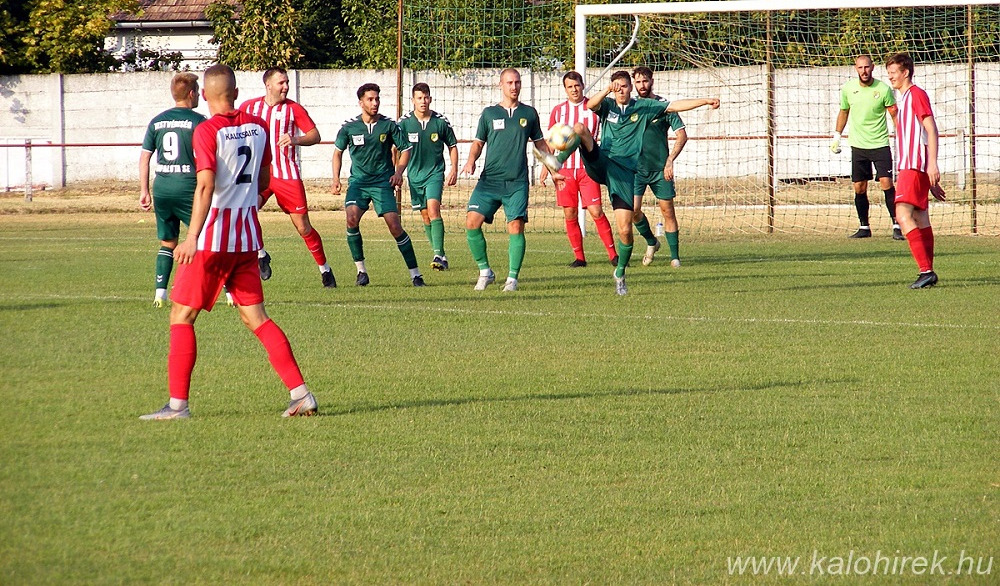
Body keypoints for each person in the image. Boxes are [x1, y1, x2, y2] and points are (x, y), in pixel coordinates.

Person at [141, 64, 318, 420]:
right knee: (256, 317)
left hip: (213, 240)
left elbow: (205, 186)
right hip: (247, 238)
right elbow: (265, 176)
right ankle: (300, 394)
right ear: (236, 93)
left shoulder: (207, 131)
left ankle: (177, 406)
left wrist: (191, 238)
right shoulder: (259, 126)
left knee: (181, 315)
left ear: (203, 95)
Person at [538, 70, 718, 295]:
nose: (619, 90)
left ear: (630, 87)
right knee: (579, 129)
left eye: (623, 86)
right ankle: (556, 163)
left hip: (624, 175)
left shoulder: (642, 107)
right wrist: (606, 90)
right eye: (616, 86)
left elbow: (674, 106)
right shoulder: (608, 106)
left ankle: (620, 273)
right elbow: (589, 105)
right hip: (603, 161)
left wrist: (705, 101)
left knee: (625, 231)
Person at [461, 68, 558, 292]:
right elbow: (478, 142)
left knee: (515, 226)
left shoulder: (529, 113)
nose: (513, 87)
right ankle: (485, 271)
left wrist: (554, 170)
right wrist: (471, 160)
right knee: (471, 222)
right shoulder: (489, 114)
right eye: (509, 83)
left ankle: (512, 279)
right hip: (489, 181)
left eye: (517, 82)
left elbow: (540, 144)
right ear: (501, 85)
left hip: (516, 182)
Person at [240, 67, 335, 287]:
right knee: (246, 211)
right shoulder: (249, 107)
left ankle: (325, 269)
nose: (285, 87)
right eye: (281, 83)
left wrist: (295, 139)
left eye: (287, 82)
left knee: (303, 227)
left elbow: (315, 135)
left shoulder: (293, 109)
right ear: (268, 85)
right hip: (260, 174)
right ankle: (261, 255)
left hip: (287, 176)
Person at [332, 83, 424, 287]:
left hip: (382, 182)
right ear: (361, 102)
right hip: (358, 183)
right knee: (351, 219)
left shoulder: (389, 125)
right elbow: (337, 153)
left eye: (377, 99)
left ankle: (416, 274)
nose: (375, 103)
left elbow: (406, 149)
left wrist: (398, 172)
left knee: (395, 226)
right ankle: (361, 272)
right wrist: (336, 179)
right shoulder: (349, 127)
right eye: (370, 99)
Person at [139, 73, 219, 307]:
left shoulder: (157, 121)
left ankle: (160, 294)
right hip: (188, 188)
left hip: (162, 188)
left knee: (167, 243)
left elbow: (145, 158)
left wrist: (144, 190)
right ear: (193, 94)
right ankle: (229, 292)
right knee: (208, 239)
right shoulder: (199, 121)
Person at [538, 72, 617, 268]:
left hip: (587, 169)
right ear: (565, 89)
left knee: (596, 211)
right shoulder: (558, 111)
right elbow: (551, 142)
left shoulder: (593, 106)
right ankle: (580, 258)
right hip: (565, 171)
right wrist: (546, 168)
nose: (574, 89)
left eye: (577, 85)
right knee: (570, 213)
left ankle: (614, 255)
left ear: (583, 85)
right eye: (570, 87)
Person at [886, 53, 945, 289]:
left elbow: (931, 129)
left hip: (913, 165)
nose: (890, 77)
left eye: (893, 73)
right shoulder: (904, 98)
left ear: (906, 73)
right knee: (920, 217)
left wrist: (932, 164)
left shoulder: (916, 95)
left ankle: (926, 270)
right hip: (913, 166)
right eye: (889, 73)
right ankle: (928, 272)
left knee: (902, 214)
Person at [832, 55, 902, 240]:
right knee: (859, 187)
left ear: (873, 68)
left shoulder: (883, 89)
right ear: (856, 69)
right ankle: (864, 227)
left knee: (886, 183)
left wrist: (902, 137)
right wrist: (837, 136)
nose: (864, 71)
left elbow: (894, 114)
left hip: (879, 144)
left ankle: (897, 225)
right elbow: (844, 111)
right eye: (860, 68)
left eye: (867, 67)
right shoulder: (848, 89)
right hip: (858, 146)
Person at [397, 83, 458, 271]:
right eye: (419, 98)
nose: (423, 101)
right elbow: (393, 148)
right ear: (413, 100)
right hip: (414, 176)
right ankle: (440, 254)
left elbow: (452, 146)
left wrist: (454, 168)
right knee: (425, 216)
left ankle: (438, 254)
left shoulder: (440, 121)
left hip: (435, 173)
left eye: (426, 97)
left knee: (433, 210)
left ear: (430, 99)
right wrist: (395, 173)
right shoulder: (404, 123)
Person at [632, 66, 688, 268]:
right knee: (633, 211)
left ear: (652, 80)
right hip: (636, 170)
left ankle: (675, 257)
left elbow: (682, 135)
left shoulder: (664, 106)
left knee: (667, 211)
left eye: (645, 81)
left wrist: (670, 159)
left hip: (660, 170)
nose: (642, 85)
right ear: (633, 84)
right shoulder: (630, 107)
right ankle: (652, 242)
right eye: (638, 82)